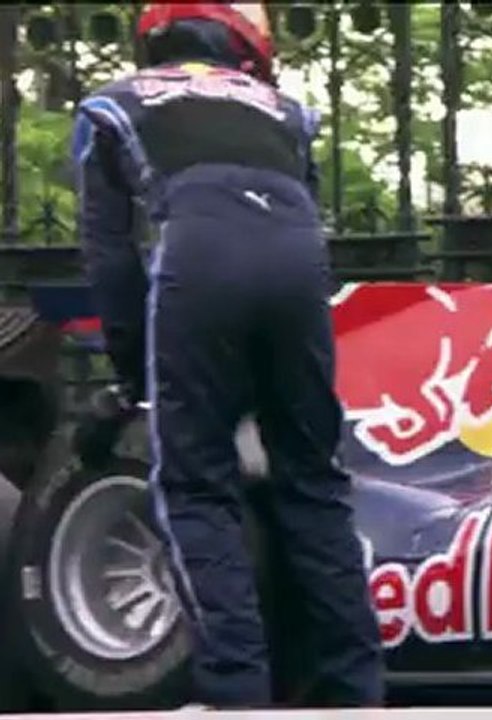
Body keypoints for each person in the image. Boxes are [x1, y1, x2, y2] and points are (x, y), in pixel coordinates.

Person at [70, 2, 384, 709]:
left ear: (154, 36)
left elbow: (110, 255)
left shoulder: (110, 105)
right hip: (299, 264)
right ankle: (357, 691)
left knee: (193, 485)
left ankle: (236, 691)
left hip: (200, 252)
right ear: (246, 46)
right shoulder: (287, 110)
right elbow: (297, 209)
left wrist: (131, 371)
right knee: (315, 481)